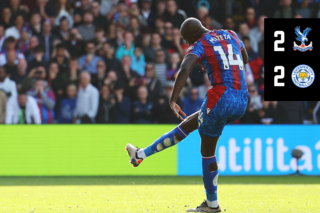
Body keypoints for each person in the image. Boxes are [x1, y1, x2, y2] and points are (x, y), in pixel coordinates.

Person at [125, 18, 249, 212]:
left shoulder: (201, 44)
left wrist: (172, 99)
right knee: (192, 122)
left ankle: (212, 205)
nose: (187, 44)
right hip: (242, 99)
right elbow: (245, 58)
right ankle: (140, 155)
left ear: (193, 35)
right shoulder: (231, 34)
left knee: (207, 153)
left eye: (186, 40)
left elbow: (184, 67)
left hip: (220, 98)